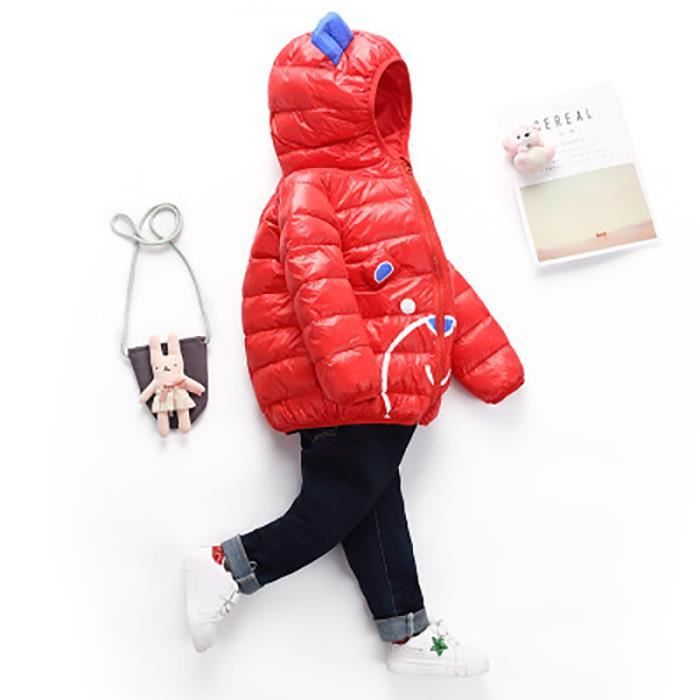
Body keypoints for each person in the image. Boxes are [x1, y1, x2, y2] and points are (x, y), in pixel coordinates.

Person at [185, 13, 524, 677]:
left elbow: (433, 276)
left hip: (382, 374)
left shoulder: (386, 184)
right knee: (335, 506)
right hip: (351, 380)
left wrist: (486, 358)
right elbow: (316, 283)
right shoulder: (309, 187)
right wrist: (351, 375)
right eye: (373, 100)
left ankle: (408, 633)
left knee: (370, 503)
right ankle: (227, 565)